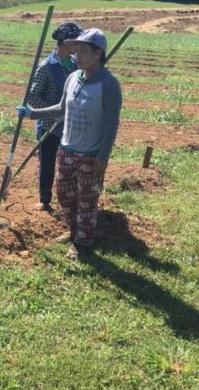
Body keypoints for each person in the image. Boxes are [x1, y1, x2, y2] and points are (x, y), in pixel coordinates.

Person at [16, 28, 122, 260]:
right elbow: (62, 109)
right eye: (77, 50)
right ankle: (74, 231)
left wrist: (103, 156)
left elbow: (111, 124)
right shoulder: (72, 78)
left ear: (98, 54)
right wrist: (32, 113)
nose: (77, 55)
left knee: (86, 201)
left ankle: (82, 244)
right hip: (67, 150)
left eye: (83, 51)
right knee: (64, 195)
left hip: (90, 154)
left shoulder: (109, 84)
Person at [26, 21, 83, 212]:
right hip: (49, 126)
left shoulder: (76, 65)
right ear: (65, 43)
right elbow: (32, 97)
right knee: (47, 163)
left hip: (71, 125)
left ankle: (71, 197)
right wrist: (54, 111)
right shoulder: (46, 67)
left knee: (71, 163)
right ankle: (45, 199)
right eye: (76, 42)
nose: (79, 46)